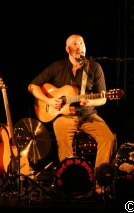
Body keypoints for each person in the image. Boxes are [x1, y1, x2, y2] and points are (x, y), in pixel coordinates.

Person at [28, 34, 115, 194]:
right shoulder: (57, 67)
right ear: (67, 49)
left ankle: (98, 182)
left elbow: (102, 99)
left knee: (108, 138)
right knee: (63, 139)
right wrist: (48, 101)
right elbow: (32, 86)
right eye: (74, 43)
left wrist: (90, 102)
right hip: (64, 116)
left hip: (88, 115)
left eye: (81, 43)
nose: (79, 46)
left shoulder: (95, 68)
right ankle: (68, 182)